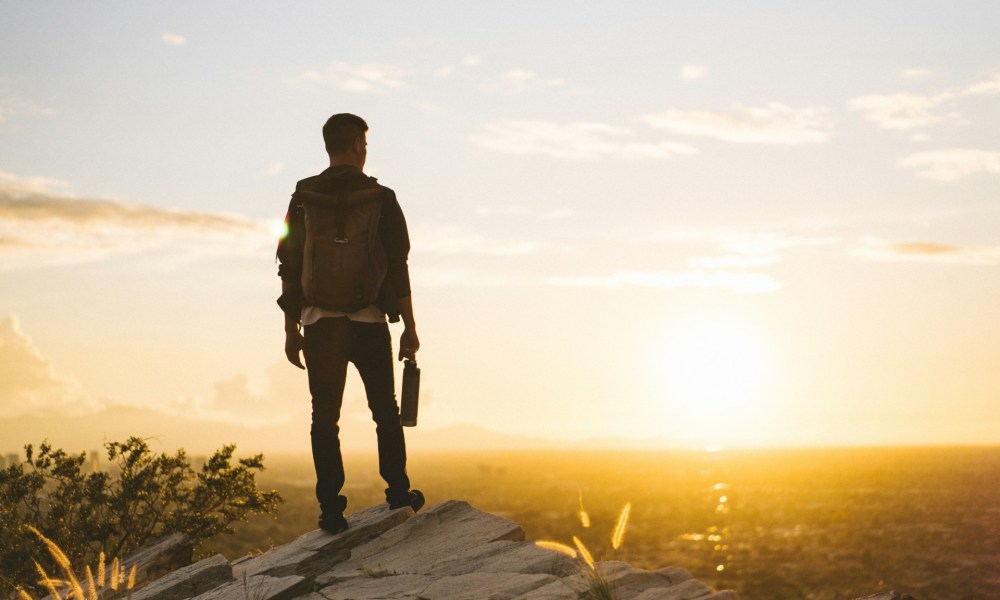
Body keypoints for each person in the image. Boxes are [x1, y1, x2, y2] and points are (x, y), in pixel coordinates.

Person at [276, 113, 424, 534]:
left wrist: (291, 330)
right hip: (369, 322)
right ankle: (398, 493)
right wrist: (409, 327)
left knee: (324, 417)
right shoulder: (382, 197)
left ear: (327, 147)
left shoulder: (303, 197)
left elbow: (288, 264)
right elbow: (398, 267)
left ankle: (331, 511)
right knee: (385, 412)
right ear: (359, 144)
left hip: (320, 323)